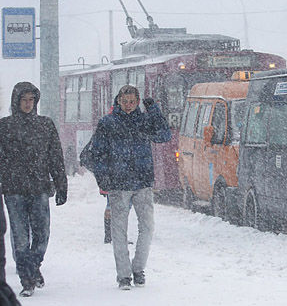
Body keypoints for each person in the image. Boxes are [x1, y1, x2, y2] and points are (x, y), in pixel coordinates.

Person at [88, 85, 171, 290]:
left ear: (137, 102)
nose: (128, 106)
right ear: (118, 101)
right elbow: (96, 153)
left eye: (133, 102)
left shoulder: (144, 120)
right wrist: (103, 178)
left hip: (142, 182)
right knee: (119, 231)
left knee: (148, 227)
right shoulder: (107, 123)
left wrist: (154, 111)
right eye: (125, 102)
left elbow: (164, 135)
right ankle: (123, 275)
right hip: (119, 184)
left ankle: (138, 268)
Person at [0, 82, 68, 297]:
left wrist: (61, 184)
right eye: (24, 100)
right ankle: (26, 278)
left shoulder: (45, 125)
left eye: (31, 100)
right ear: (16, 101)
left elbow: (55, 157)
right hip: (14, 189)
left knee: (42, 234)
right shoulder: (4, 126)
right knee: (20, 236)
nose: (28, 104)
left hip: (39, 187)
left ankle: (33, 265)